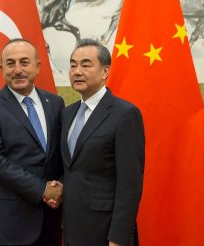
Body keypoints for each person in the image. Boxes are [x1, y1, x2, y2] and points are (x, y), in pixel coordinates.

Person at [0, 38, 64, 246]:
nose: (18, 69)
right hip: (8, 225)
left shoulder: (55, 103)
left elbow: (61, 154)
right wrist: (42, 190)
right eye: (10, 63)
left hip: (50, 220)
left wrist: (61, 186)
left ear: (38, 66)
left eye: (24, 62)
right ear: (2, 68)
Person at [60, 39, 145, 246]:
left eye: (86, 65)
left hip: (105, 231)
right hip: (72, 228)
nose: (77, 71)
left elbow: (130, 185)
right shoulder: (67, 114)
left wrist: (118, 237)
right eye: (73, 65)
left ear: (105, 71)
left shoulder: (124, 114)